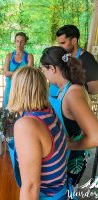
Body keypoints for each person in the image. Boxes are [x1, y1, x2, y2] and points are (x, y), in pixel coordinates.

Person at [40, 46, 98, 187]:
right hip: (60, 156)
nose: (44, 75)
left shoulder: (73, 93)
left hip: (70, 160)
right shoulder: (62, 88)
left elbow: (96, 137)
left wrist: (69, 144)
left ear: (52, 69)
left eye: (43, 70)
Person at [8, 67, 68, 199]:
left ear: (17, 90)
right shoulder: (48, 110)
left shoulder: (26, 125)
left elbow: (30, 187)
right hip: (60, 189)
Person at [56, 24, 98, 95]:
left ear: (74, 41)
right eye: (59, 44)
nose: (60, 47)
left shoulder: (88, 59)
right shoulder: (65, 56)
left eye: (63, 43)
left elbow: (95, 90)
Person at [3, 32, 34, 108]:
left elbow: (29, 74)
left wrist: (13, 73)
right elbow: (6, 73)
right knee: (7, 111)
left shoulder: (29, 57)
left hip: (23, 89)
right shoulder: (9, 56)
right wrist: (21, 73)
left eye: (21, 41)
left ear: (25, 42)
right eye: (17, 41)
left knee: (22, 110)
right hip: (10, 88)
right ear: (14, 42)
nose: (19, 44)